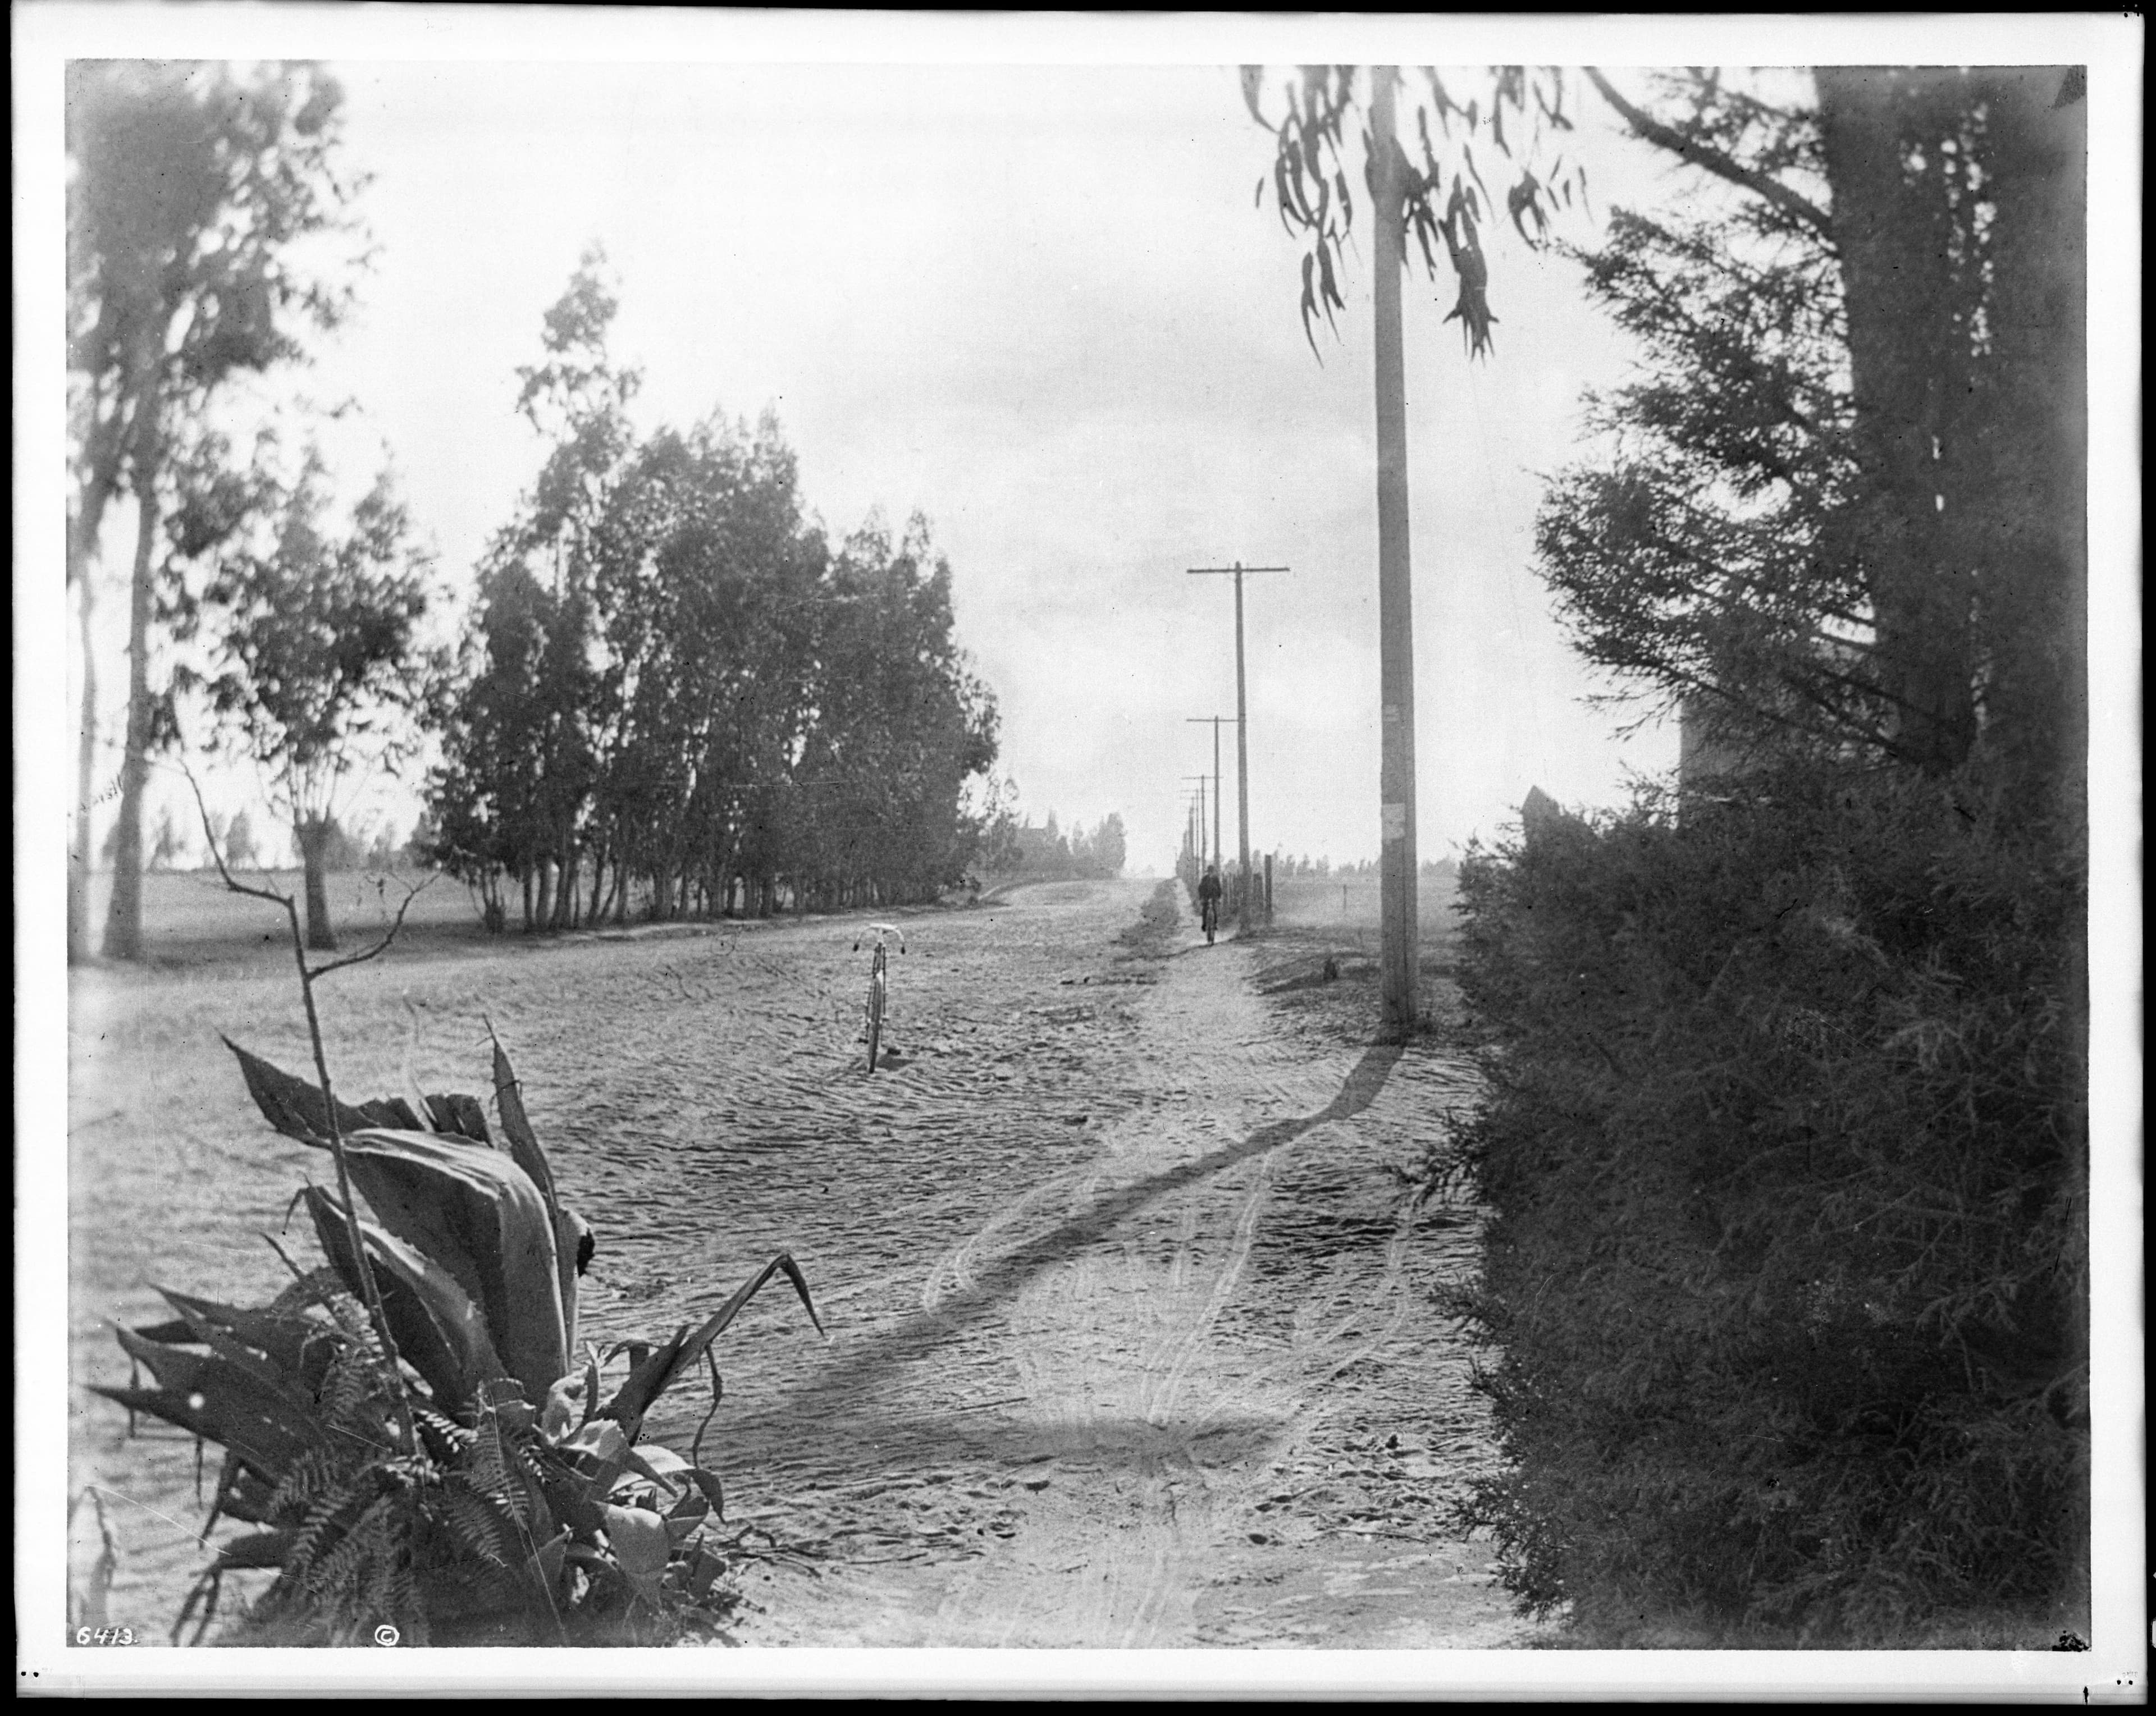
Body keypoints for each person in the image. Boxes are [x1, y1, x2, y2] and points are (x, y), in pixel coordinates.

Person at [1196, 863, 1223, 944]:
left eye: (1212, 871)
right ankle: (1204, 925)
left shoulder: (1216, 879)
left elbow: (1219, 888)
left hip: (1214, 897)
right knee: (1204, 910)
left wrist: (1219, 898)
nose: (1211, 873)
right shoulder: (1204, 879)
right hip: (1206, 897)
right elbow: (1200, 888)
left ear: (1213, 872)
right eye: (1209, 871)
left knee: (1215, 910)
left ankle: (1215, 924)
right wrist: (1201, 898)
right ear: (1208, 872)